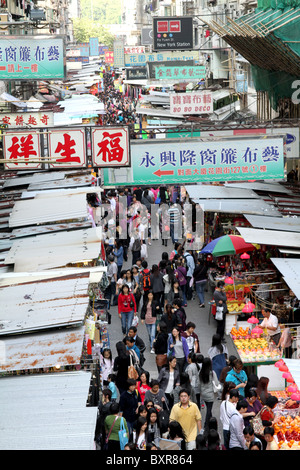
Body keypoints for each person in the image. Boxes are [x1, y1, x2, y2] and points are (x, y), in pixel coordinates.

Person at [199, 357, 220, 432]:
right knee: (209, 409)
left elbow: (199, 384)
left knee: (209, 409)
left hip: (203, 394)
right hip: (210, 394)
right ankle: (206, 425)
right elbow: (216, 383)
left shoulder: (200, 372)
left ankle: (211, 423)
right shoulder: (212, 373)